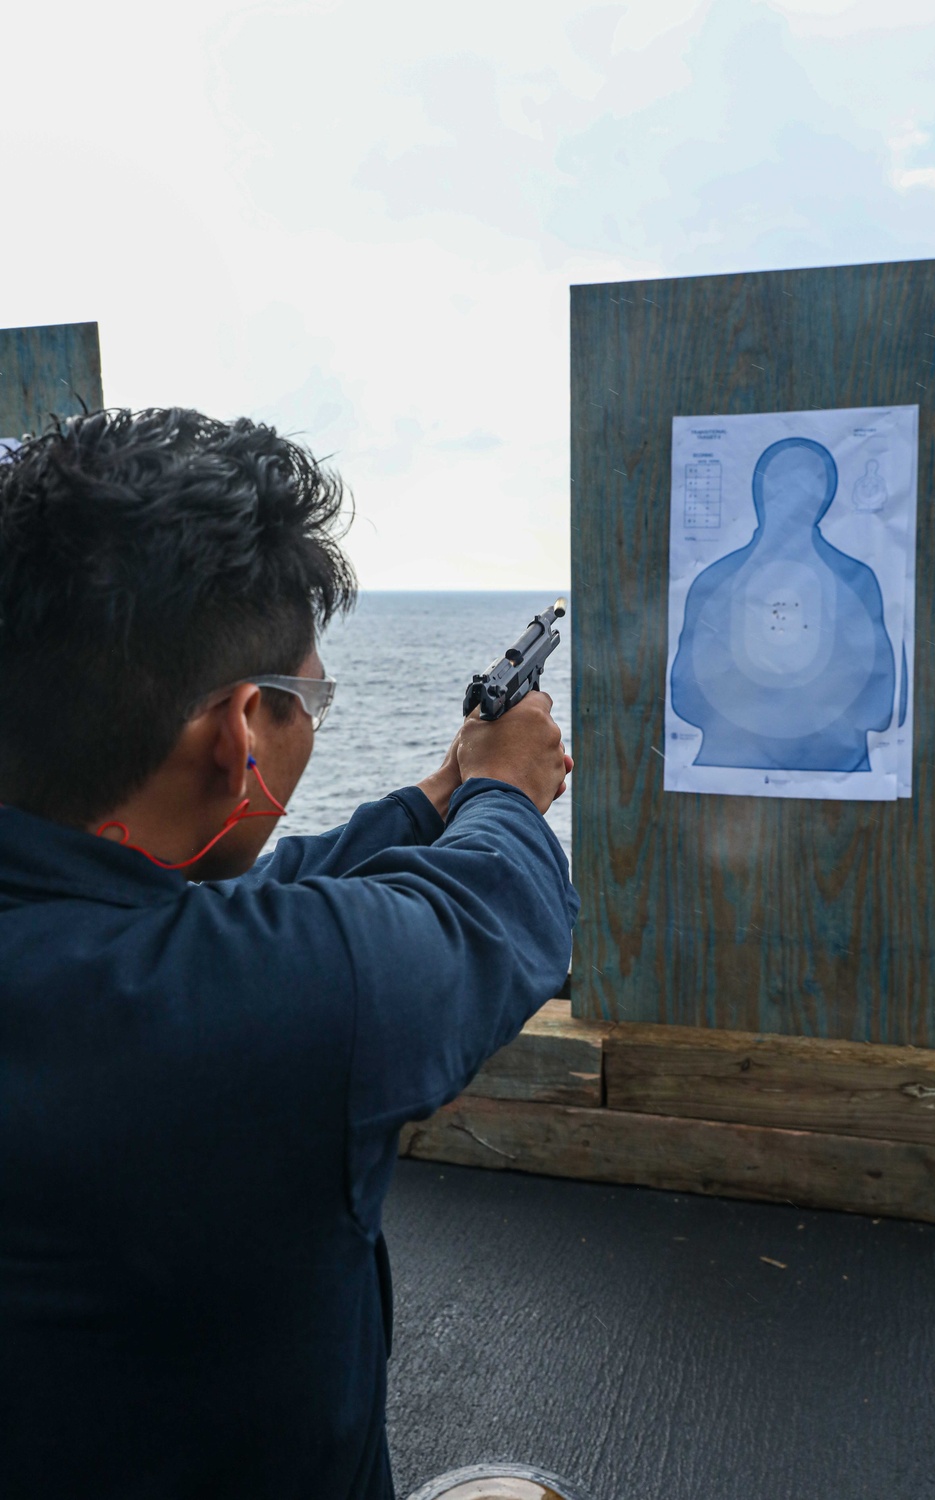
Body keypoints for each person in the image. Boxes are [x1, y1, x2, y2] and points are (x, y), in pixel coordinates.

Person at [0, 407, 578, 1499]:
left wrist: (434, 797)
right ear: (238, 732)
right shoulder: (271, 1001)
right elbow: (488, 917)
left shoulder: (102, 947)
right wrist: (506, 790)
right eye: (306, 700)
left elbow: (237, 905)